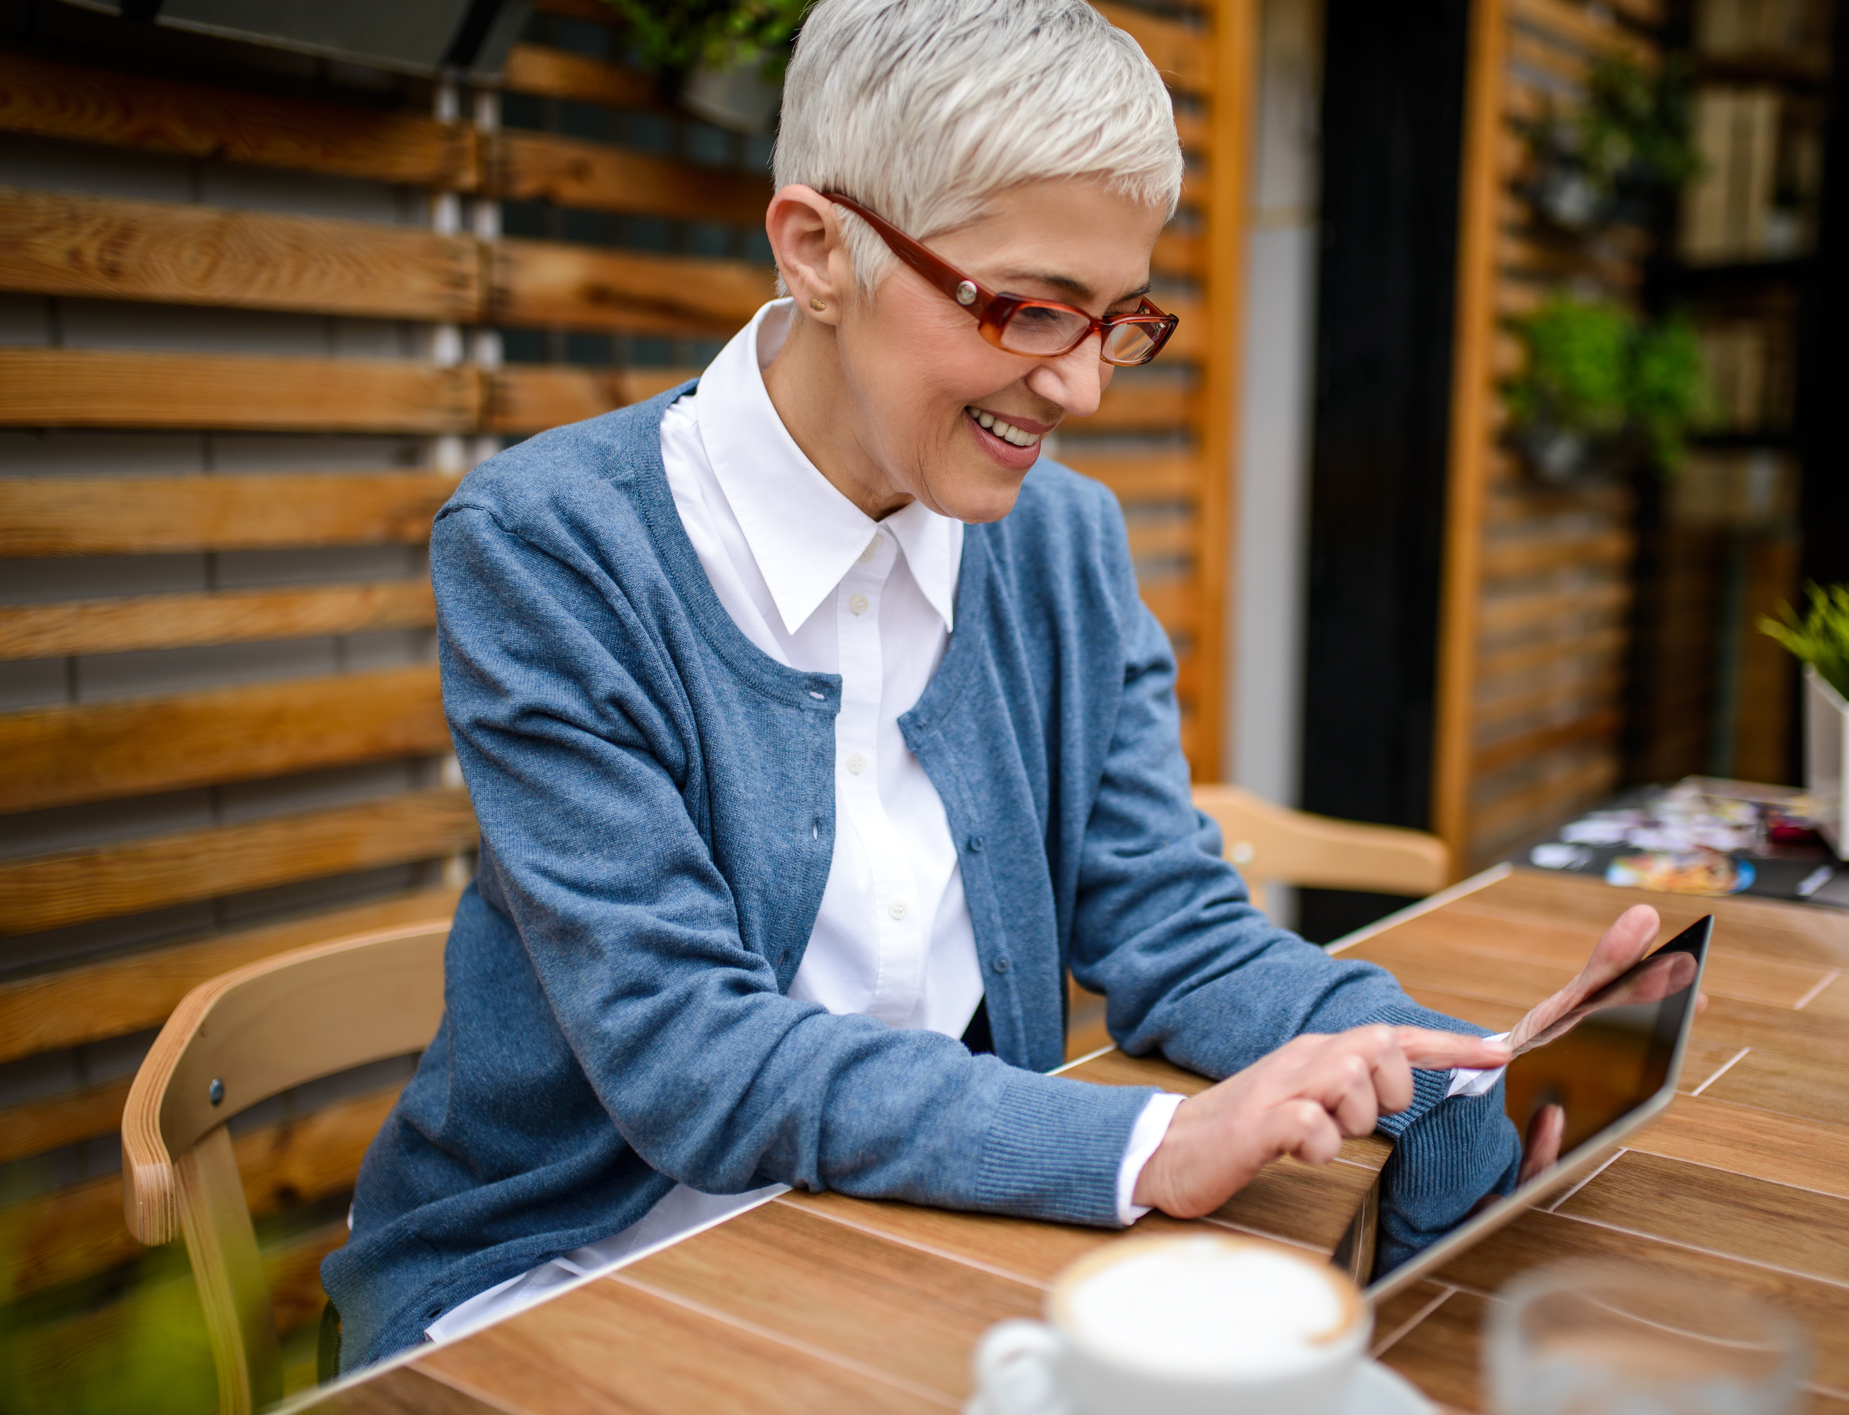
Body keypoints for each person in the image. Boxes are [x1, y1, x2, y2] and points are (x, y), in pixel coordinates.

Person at [320, 0, 1669, 1371]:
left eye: (1117, 318)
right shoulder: (554, 546)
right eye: (1030, 309)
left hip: (922, 1250)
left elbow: (1173, 930)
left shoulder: (1063, 543)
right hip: (564, 1279)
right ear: (817, 250)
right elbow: (687, 1053)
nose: (1081, 384)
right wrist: (1153, 1144)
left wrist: (1451, 1068)